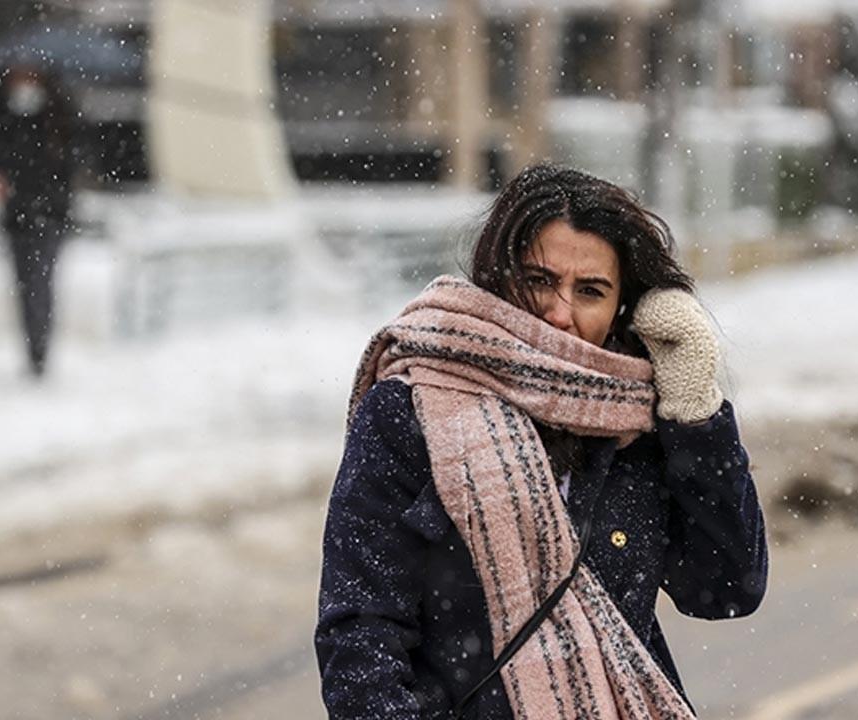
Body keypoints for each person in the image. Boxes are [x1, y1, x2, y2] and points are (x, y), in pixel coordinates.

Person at [316, 164, 768, 718]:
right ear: (496, 277)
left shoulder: (634, 427)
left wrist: (694, 409)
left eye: (591, 291)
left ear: (622, 308)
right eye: (538, 281)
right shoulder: (410, 410)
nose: (560, 314)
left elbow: (725, 588)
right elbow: (360, 632)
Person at [0, 63, 79, 378]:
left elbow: (75, 158)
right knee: (25, 281)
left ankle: (40, 347)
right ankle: (34, 345)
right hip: (17, 214)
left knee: (40, 280)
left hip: (51, 213)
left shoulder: (59, 112)